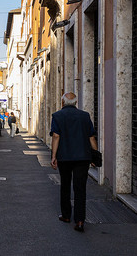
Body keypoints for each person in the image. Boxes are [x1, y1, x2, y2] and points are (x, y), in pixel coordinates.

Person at [50, 92, 98, 233]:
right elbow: (91, 138)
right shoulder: (85, 116)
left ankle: (66, 216)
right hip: (83, 158)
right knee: (80, 188)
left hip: (64, 157)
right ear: (76, 103)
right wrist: (95, 156)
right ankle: (80, 221)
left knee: (65, 185)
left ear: (62, 102)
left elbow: (56, 136)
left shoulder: (57, 116)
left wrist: (53, 156)